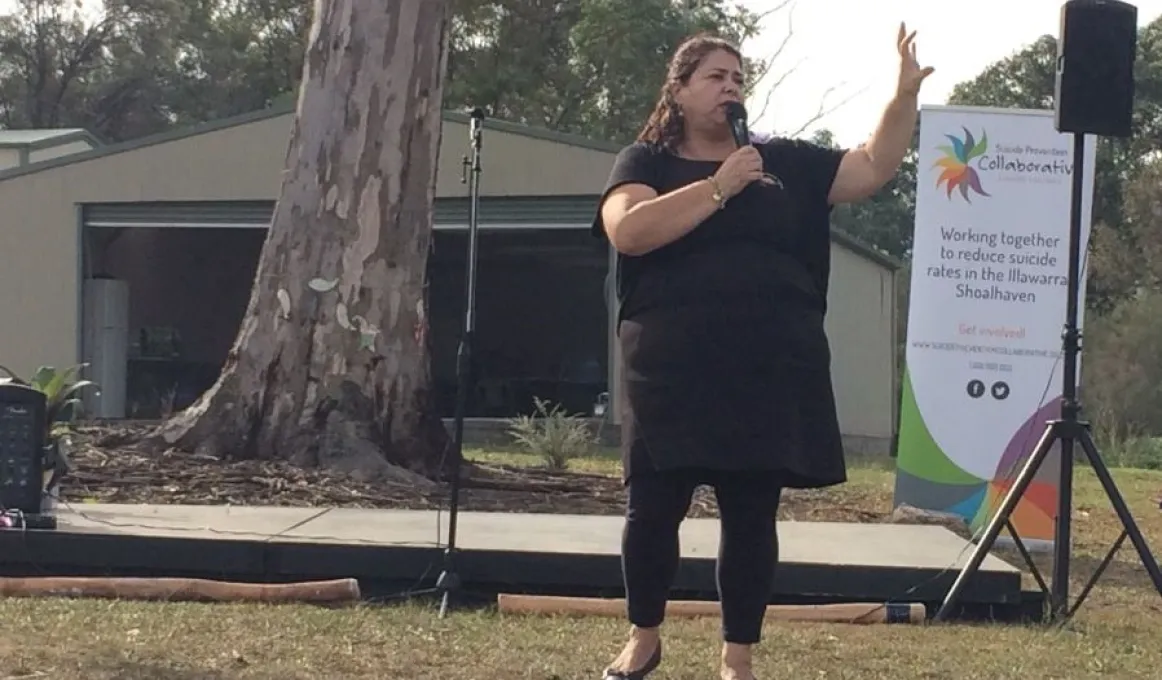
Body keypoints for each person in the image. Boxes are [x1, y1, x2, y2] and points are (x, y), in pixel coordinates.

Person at [589, 24, 933, 680]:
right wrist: (720, 187)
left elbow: (871, 166)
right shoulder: (646, 163)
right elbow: (629, 231)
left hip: (768, 367)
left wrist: (903, 96)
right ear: (681, 91)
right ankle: (643, 638)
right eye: (715, 77)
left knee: (750, 514)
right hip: (671, 369)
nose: (730, 88)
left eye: (739, 78)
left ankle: (737, 657)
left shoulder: (784, 161)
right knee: (653, 509)